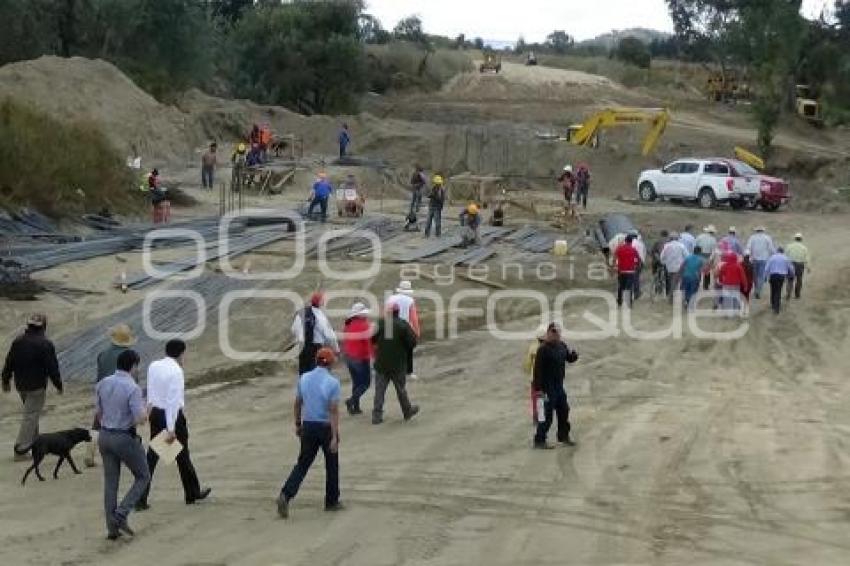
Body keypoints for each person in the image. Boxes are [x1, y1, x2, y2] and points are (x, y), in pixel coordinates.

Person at [138, 339, 211, 510]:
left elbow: (151, 388)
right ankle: (191, 493)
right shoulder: (176, 372)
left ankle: (141, 496)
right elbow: (172, 402)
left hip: (155, 413)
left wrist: (148, 408)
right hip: (171, 417)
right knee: (180, 454)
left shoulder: (154, 365)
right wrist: (171, 429)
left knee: (157, 455)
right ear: (181, 353)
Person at [277, 347, 342, 518]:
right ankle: (331, 501)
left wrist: (298, 424)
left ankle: (286, 494)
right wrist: (335, 436)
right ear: (331, 363)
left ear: (316, 361)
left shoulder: (304, 378)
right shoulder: (333, 383)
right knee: (332, 465)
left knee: (302, 464)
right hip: (325, 427)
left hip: (308, 426)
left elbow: (297, 403)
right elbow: (333, 410)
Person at [95, 349, 150, 540]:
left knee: (110, 483)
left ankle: (112, 528)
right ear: (133, 366)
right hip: (123, 437)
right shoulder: (132, 387)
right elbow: (140, 419)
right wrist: (147, 409)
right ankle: (122, 513)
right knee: (143, 476)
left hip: (104, 436)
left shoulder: (102, 383)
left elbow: (99, 414)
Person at [2, 313, 62, 460]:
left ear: (28, 326)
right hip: (37, 386)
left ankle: (34, 445)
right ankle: (20, 450)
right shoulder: (45, 344)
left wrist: (5, 380)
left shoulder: (18, 341)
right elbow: (52, 367)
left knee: (32, 415)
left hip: (21, 385)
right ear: (43, 327)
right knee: (30, 416)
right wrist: (58, 384)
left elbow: (9, 362)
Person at [85, 324, 137, 468]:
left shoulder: (102, 354)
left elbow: (99, 375)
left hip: (103, 391)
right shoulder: (130, 356)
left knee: (97, 423)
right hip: (122, 392)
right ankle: (127, 454)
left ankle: (89, 453)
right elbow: (133, 377)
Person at [532, 323, 578, 448]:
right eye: (553, 331)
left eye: (557, 331)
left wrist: (574, 356)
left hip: (559, 386)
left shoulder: (562, 345)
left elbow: (568, 357)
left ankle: (563, 436)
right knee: (546, 415)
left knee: (564, 410)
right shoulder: (543, 349)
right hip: (547, 387)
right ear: (548, 333)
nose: (556, 334)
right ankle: (539, 440)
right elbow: (537, 371)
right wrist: (538, 389)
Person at [371, 304, 419, 425]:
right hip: (398, 364)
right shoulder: (403, 325)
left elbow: (372, 339)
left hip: (381, 363)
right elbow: (413, 342)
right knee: (401, 389)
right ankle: (407, 411)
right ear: (398, 312)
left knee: (379, 390)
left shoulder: (381, 323)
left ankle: (376, 416)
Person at [291, 292, 339, 376]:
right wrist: (336, 349)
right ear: (321, 303)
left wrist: (299, 338)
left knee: (303, 374)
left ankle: (303, 388)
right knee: (315, 374)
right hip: (316, 349)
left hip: (302, 349)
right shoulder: (320, 316)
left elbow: (293, 329)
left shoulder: (301, 313)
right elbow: (329, 335)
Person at [342, 303, 373, 416]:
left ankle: (356, 407)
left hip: (349, 358)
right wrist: (373, 356)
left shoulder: (348, 325)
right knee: (365, 383)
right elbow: (368, 343)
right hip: (361, 358)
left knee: (356, 383)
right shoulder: (364, 325)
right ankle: (351, 401)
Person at [385, 281, 420, 379]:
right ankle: (409, 372)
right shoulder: (410, 300)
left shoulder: (390, 298)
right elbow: (414, 318)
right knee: (408, 351)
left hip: (392, 327)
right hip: (405, 328)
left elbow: (385, 313)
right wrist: (417, 332)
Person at [746, 226, 775, 299]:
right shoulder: (767, 238)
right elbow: (771, 248)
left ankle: (756, 289)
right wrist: (774, 255)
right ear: (763, 231)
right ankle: (758, 291)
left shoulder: (752, 237)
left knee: (755, 276)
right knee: (761, 276)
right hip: (764, 259)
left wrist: (748, 256)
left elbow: (748, 247)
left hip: (754, 259)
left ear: (756, 231)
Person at [765, 247, 795, 314]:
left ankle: (773, 304)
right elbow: (790, 268)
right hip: (781, 277)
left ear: (777, 251)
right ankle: (776, 308)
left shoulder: (772, 257)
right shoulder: (786, 258)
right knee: (778, 291)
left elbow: (767, 268)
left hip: (772, 276)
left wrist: (765, 276)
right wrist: (792, 275)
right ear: (783, 252)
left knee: (772, 290)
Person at [660, 232, 688, 302]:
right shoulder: (681, 246)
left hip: (669, 267)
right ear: (677, 238)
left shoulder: (666, 246)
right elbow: (687, 256)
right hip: (679, 267)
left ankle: (671, 297)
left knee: (671, 281)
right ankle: (671, 298)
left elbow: (662, 257)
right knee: (675, 282)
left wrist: (664, 262)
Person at [613, 234, 640, 308]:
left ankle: (619, 302)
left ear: (625, 241)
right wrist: (636, 266)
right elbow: (638, 260)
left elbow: (614, 258)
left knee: (621, 286)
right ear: (631, 242)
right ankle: (629, 304)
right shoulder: (633, 249)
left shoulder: (619, 248)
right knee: (629, 287)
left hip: (621, 271)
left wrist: (614, 266)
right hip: (631, 271)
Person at [785, 233, 810, 299]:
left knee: (790, 279)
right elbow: (806, 258)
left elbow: (786, 256)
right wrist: (808, 267)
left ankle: (788, 293)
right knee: (799, 280)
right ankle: (797, 294)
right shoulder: (804, 248)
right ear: (801, 239)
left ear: (794, 239)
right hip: (800, 265)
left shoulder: (789, 246)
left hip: (791, 264)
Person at [695, 225, 717, 290]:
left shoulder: (699, 237)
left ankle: (697, 284)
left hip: (699, 254)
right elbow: (714, 251)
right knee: (707, 272)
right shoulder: (713, 239)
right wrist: (711, 258)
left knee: (698, 270)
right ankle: (706, 286)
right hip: (708, 255)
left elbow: (695, 245)